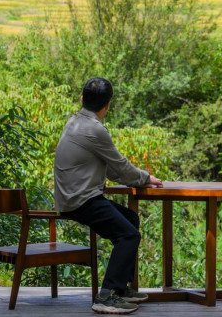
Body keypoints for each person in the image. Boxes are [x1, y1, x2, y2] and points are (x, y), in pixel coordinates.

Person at [54, 78, 163, 315]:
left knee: (130, 221)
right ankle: (106, 296)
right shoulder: (94, 129)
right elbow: (120, 166)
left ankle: (121, 289)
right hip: (80, 200)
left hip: (73, 196)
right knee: (129, 236)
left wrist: (141, 178)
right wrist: (146, 178)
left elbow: (112, 169)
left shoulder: (75, 121)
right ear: (108, 105)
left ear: (82, 99)